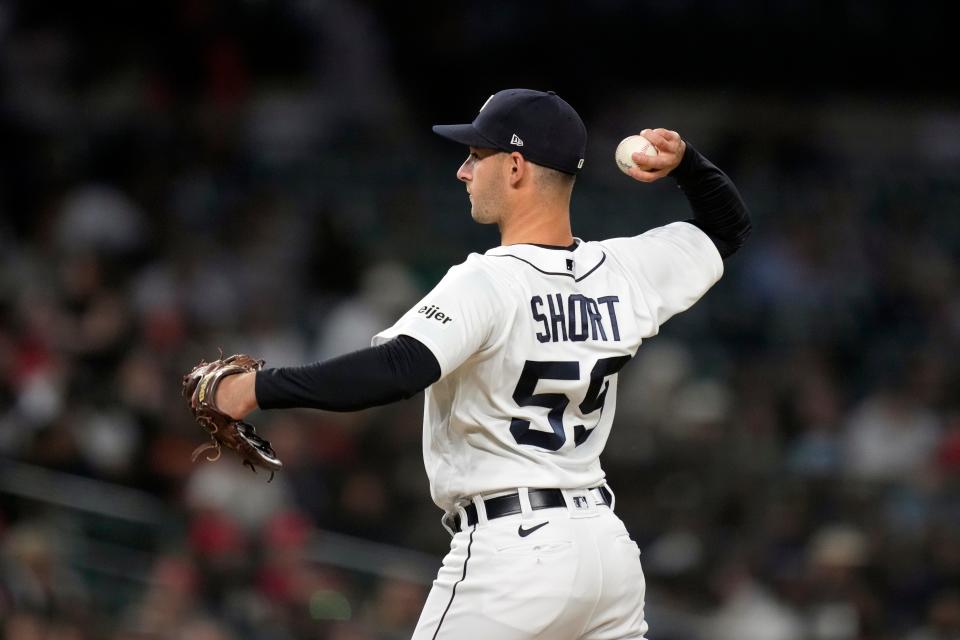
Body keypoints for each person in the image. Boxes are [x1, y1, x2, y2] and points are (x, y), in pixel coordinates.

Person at [212, 88, 751, 639]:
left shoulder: (490, 280)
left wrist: (254, 388)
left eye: (476, 156)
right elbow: (726, 226)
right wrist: (687, 164)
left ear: (515, 166)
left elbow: (397, 368)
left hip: (513, 556)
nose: (463, 172)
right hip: (607, 553)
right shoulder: (622, 271)